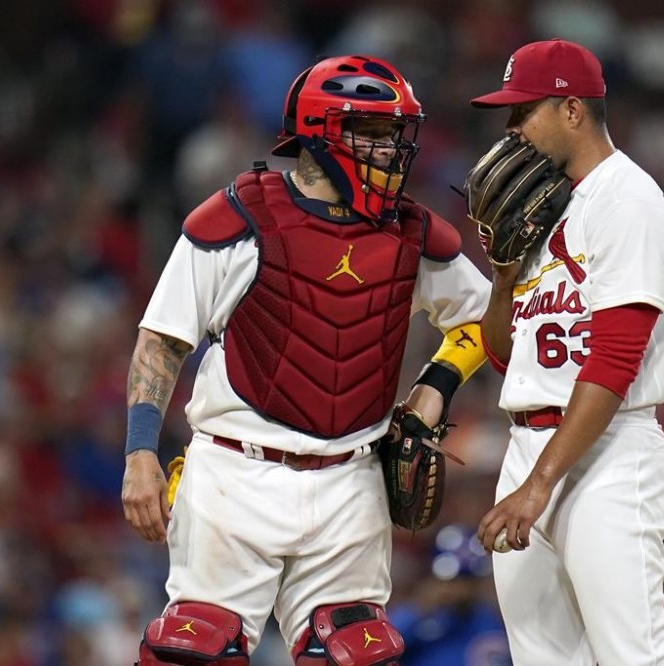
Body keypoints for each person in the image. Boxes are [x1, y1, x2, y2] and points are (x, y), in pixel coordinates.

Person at [121, 54, 490, 665]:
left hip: (352, 480)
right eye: (371, 133)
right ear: (321, 134)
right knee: (197, 651)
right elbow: (162, 341)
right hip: (234, 474)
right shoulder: (239, 215)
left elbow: (482, 319)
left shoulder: (413, 233)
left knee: (355, 654)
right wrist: (140, 453)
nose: (391, 150)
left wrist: (435, 388)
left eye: (395, 134)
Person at [469, 39, 664, 665]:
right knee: (543, 658)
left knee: (630, 657)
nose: (511, 129)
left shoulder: (629, 202)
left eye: (522, 111)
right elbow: (510, 360)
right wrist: (505, 277)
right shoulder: (541, 207)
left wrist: (540, 486)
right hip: (530, 443)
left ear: (571, 110)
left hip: (608, 451)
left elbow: (614, 361)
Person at [388, 524, 512, 666]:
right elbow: (382, 646)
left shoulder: (491, 622)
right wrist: (418, 609)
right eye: (452, 581)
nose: (457, 589)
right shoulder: (419, 619)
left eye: (465, 580)